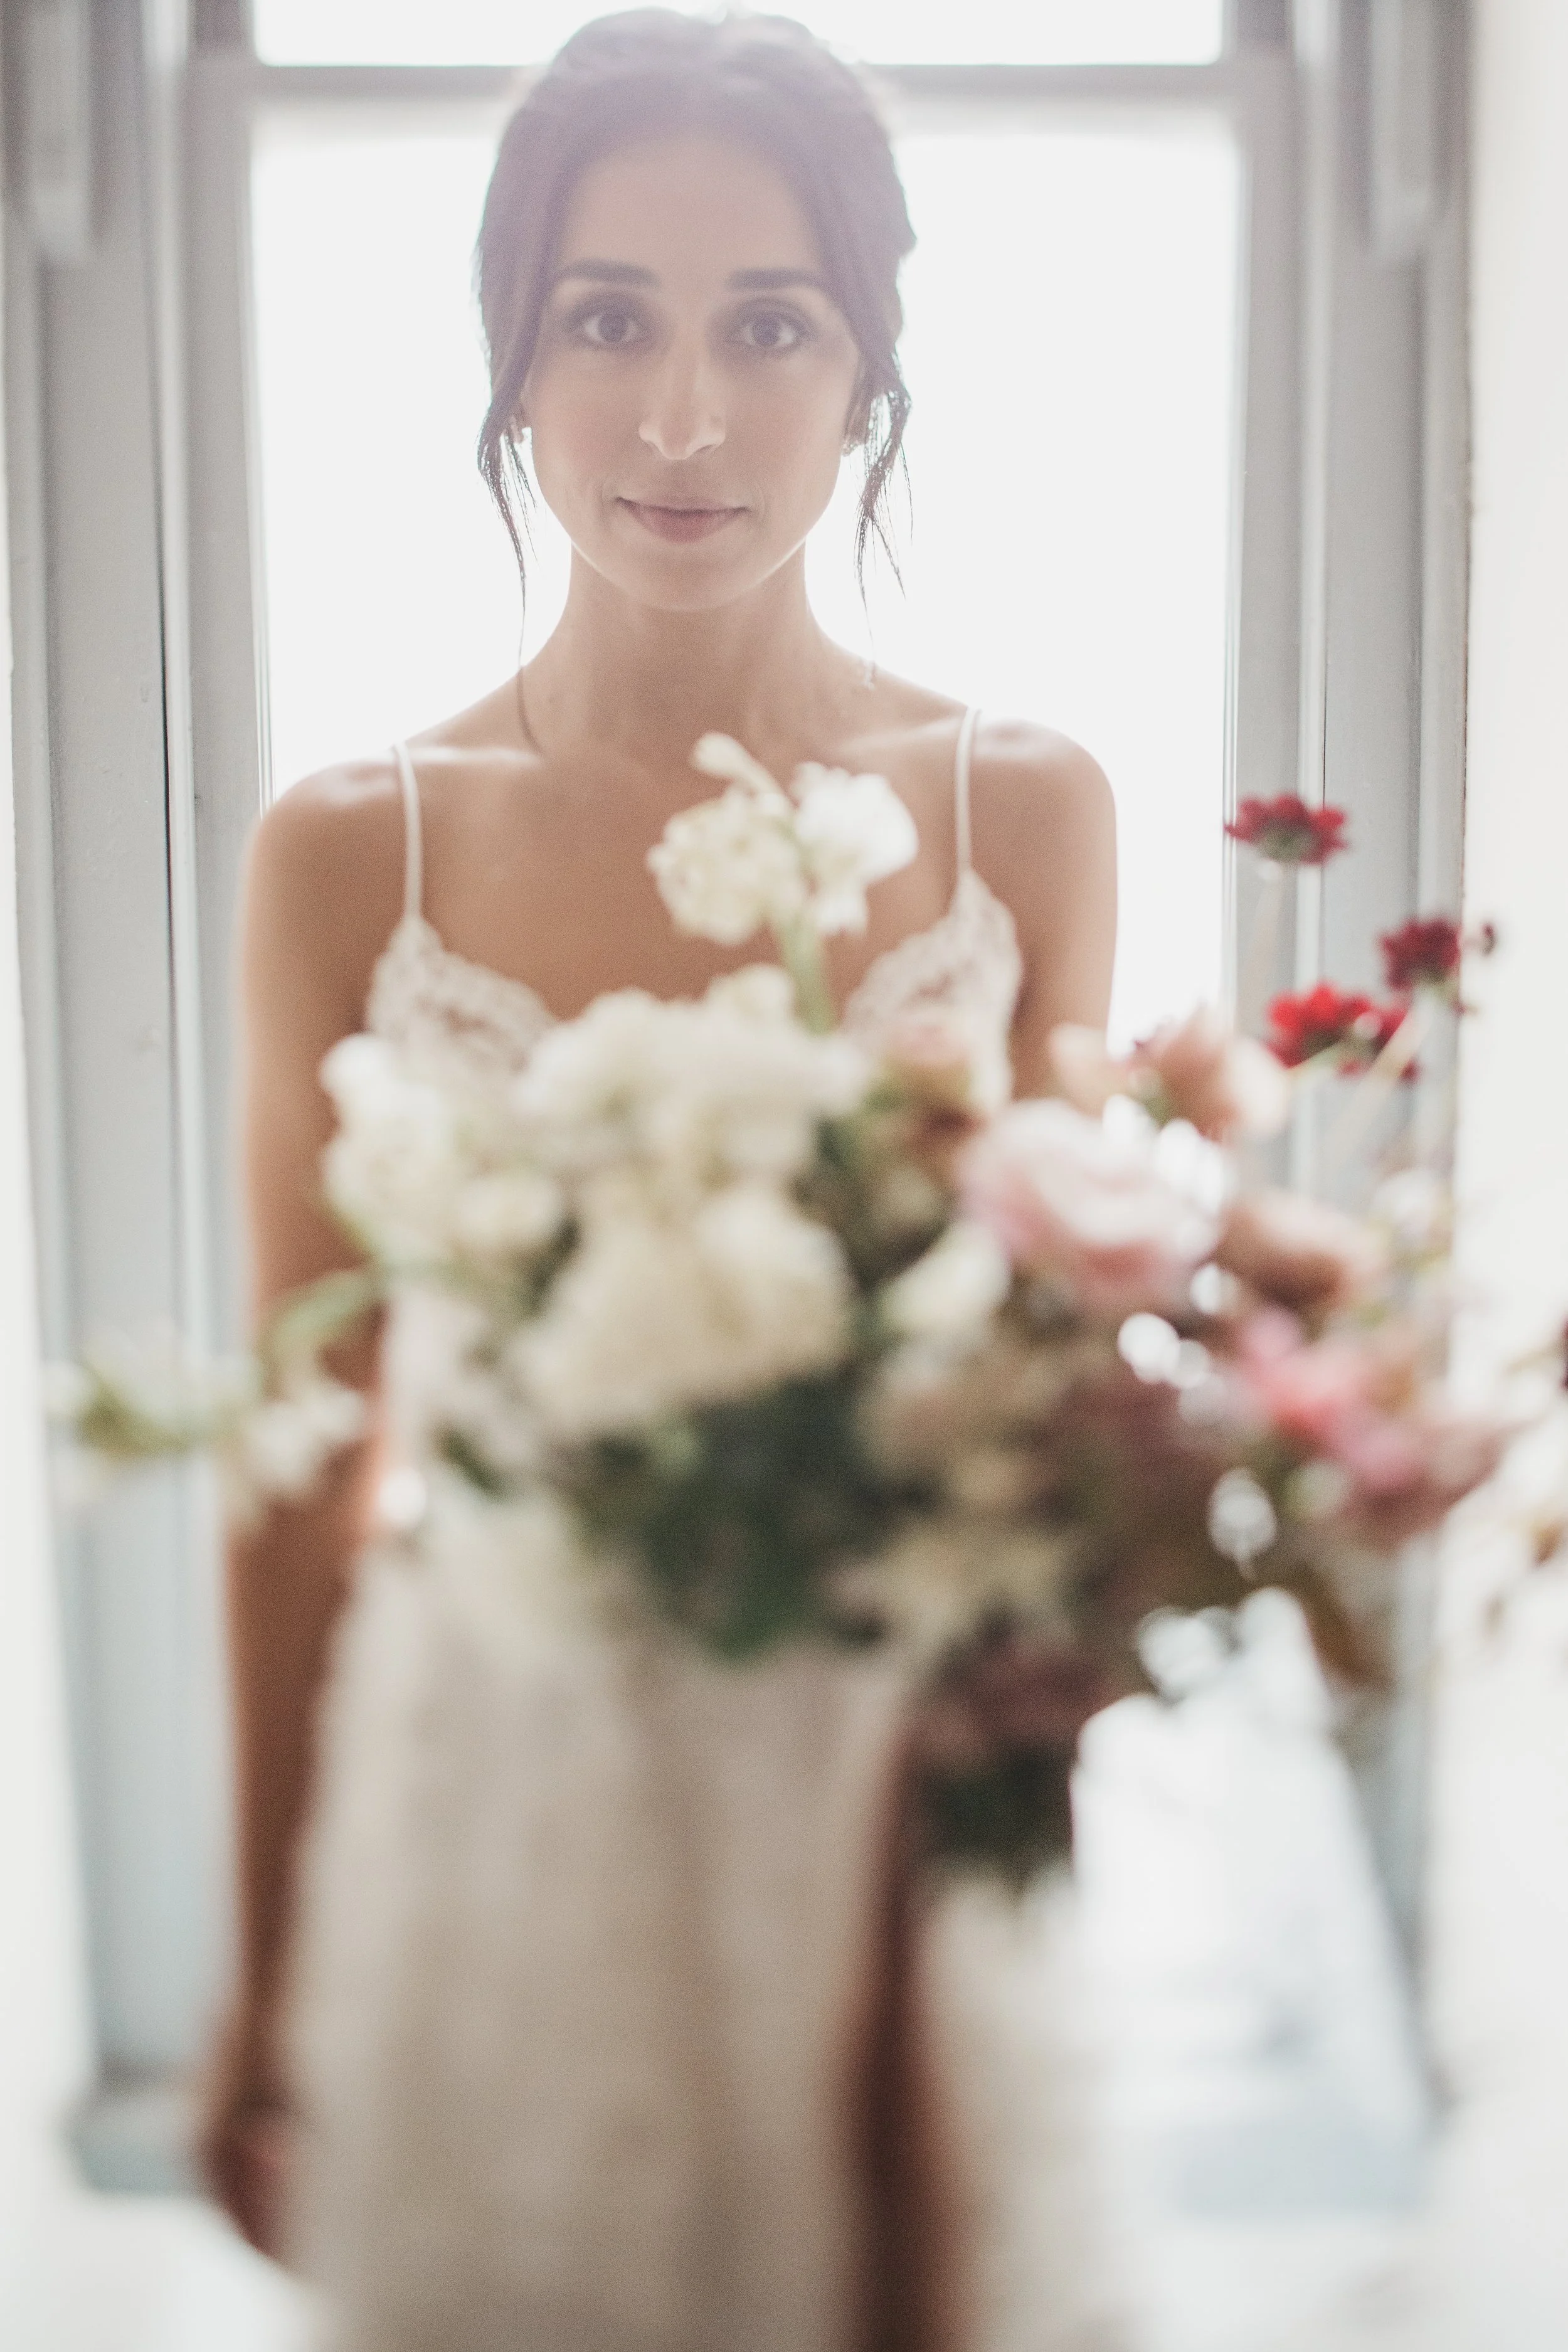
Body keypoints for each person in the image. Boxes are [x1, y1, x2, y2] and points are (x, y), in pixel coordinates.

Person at [202, 12, 1119, 2348]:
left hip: (875, 1799)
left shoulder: (1024, 811)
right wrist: (263, 1955)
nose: (686, 417)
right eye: (606, 317)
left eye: (770, 326)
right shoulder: (347, 849)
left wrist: (1019, 1867)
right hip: (497, 1799)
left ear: (870, 375)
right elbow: (298, 1463)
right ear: (512, 358)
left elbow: (1061, 1407)